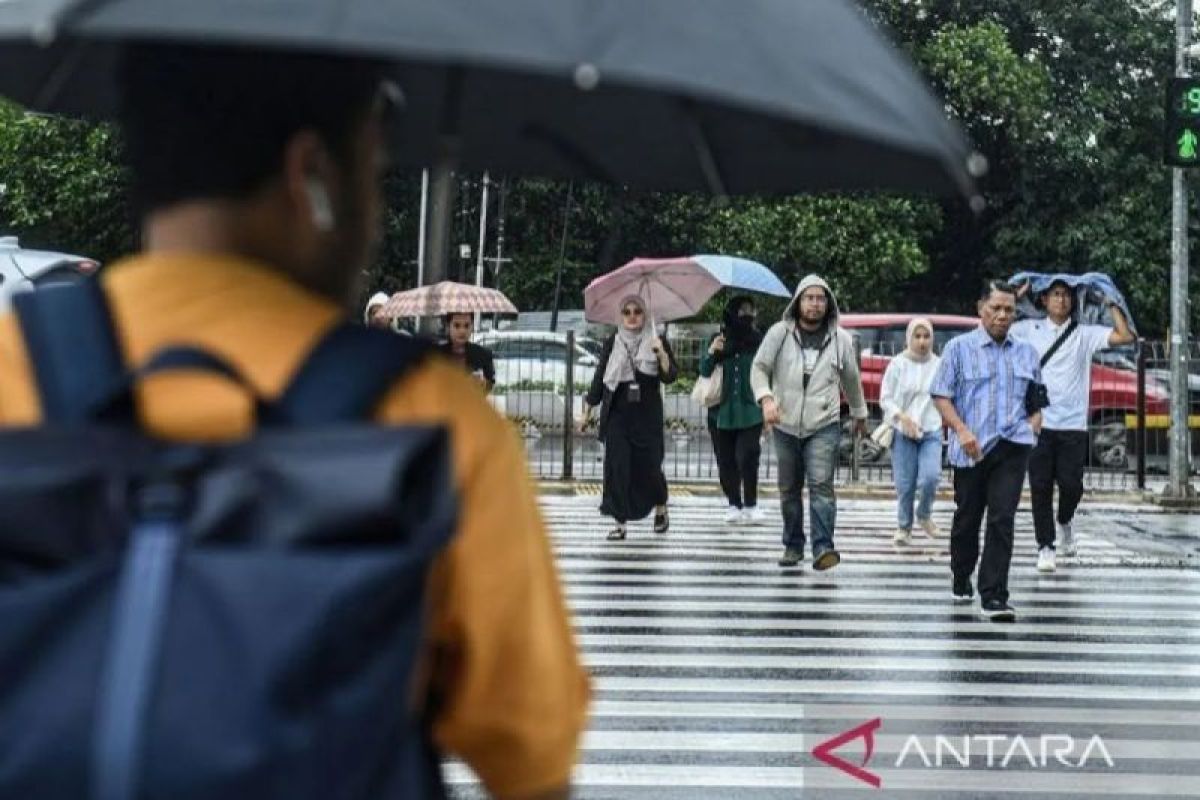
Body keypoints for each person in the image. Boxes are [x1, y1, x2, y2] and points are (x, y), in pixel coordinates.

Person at [0, 44, 587, 800]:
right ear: (311, 171)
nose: (372, 213)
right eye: (372, 169)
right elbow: (532, 756)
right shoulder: (429, 417)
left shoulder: (14, 369)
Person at [931, 280, 1044, 623]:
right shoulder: (958, 349)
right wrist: (961, 430)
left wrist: (1032, 427)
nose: (1002, 315)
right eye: (995, 308)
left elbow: (1037, 401)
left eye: (1009, 309)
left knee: (1002, 518)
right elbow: (940, 394)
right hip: (972, 448)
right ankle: (961, 572)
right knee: (967, 519)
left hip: (1012, 447)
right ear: (981, 308)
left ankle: (994, 594)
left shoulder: (1026, 352)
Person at [1011, 278, 1135, 572]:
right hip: (1038, 422)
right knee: (1040, 487)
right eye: (1055, 295)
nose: (1061, 300)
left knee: (1072, 486)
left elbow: (1124, 336)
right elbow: (996, 325)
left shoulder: (1083, 334)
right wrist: (1015, 299)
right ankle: (1046, 545)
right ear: (1043, 300)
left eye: (1066, 295)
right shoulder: (1029, 330)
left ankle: (1065, 519)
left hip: (1073, 424)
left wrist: (1112, 303)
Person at [750, 274, 868, 571]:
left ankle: (823, 548)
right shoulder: (779, 333)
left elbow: (851, 379)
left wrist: (859, 412)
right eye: (809, 298)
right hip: (785, 422)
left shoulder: (840, 339)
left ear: (828, 304)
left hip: (823, 423)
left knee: (821, 485)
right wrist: (766, 399)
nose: (814, 304)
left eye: (820, 298)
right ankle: (792, 545)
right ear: (798, 302)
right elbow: (759, 368)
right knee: (789, 488)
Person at [583, 295, 678, 541]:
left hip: (647, 415)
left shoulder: (657, 340)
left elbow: (670, 376)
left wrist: (661, 355)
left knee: (649, 466)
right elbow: (600, 378)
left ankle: (660, 507)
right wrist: (587, 411)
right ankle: (619, 522)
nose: (632, 316)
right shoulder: (612, 342)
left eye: (637, 311)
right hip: (617, 412)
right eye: (627, 311)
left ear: (645, 315)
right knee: (617, 466)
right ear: (621, 316)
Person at [700, 295, 765, 525]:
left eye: (751, 310)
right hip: (721, 410)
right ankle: (733, 503)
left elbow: (767, 369)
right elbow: (704, 370)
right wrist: (712, 352)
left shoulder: (759, 340)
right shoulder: (718, 339)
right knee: (725, 460)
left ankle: (751, 503)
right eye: (742, 310)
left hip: (750, 409)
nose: (747, 315)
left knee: (747, 455)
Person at [879, 318, 944, 545]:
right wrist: (901, 416)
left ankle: (924, 514)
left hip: (931, 429)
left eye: (926, 336)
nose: (922, 341)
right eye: (917, 336)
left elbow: (946, 395)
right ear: (909, 338)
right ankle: (904, 527)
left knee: (930, 477)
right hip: (903, 430)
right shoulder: (897, 364)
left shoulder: (939, 364)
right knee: (905, 484)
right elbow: (885, 398)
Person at [437, 312, 496, 391]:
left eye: (467, 326)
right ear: (448, 327)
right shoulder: (436, 355)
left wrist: (483, 383)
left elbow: (490, 383)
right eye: (457, 326)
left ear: (472, 327)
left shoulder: (483, 354)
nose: (462, 331)